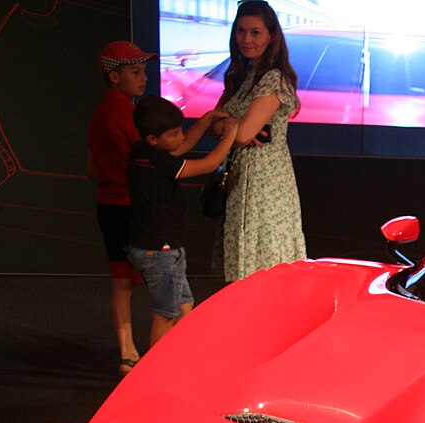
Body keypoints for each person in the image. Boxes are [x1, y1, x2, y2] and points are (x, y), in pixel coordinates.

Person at [126, 96, 238, 346]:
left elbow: (183, 144)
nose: (180, 137)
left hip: (158, 247)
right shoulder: (158, 161)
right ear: (154, 140)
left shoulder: (143, 151)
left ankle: (184, 357)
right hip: (160, 250)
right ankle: (153, 376)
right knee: (166, 315)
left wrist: (206, 118)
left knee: (184, 304)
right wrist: (231, 135)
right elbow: (209, 163)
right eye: (174, 133)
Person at [211, 0, 306, 282]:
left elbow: (239, 135)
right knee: (241, 253)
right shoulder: (240, 76)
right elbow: (212, 124)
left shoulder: (273, 79)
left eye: (255, 32)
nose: (246, 39)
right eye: (241, 31)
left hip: (265, 180)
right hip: (239, 174)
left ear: (271, 36)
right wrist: (235, 127)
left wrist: (233, 127)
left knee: (263, 261)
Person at [87, 41, 155, 375]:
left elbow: (91, 168)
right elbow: (148, 161)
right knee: (166, 278)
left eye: (143, 71)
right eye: (135, 72)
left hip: (108, 205)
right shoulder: (127, 114)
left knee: (120, 280)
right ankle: (164, 352)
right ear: (115, 77)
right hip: (130, 207)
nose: (144, 78)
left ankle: (127, 353)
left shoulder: (100, 113)